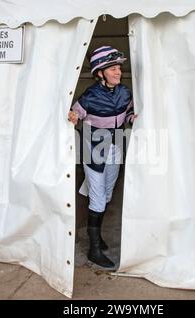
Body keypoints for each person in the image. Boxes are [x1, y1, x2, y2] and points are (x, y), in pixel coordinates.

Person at [68, 46, 137, 269]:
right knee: (97, 200)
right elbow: (75, 113)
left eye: (119, 68)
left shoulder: (125, 92)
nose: (118, 72)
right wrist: (73, 116)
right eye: (113, 69)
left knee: (107, 196)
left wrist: (131, 117)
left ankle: (97, 239)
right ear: (100, 73)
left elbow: (127, 112)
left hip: (115, 149)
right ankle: (94, 249)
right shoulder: (89, 97)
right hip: (94, 153)